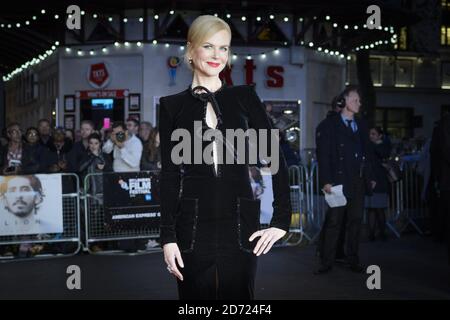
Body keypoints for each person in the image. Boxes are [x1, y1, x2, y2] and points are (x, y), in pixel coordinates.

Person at [159, 15, 291, 300]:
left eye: (224, 48)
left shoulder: (245, 97)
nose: (217, 55)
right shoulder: (171, 106)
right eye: (208, 46)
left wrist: (282, 220)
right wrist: (167, 238)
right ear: (191, 50)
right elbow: (169, 176)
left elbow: (274, 156)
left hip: (240, 222)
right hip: (192, 225)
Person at [315, 86, 375, 274]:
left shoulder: (362, 125)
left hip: (357, 181)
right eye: (355, 100)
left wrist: (370, 176)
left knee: (355, 222)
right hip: (337, 182)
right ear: (345, 101)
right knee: (334, 222)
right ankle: (327, 262)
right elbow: (323, 155)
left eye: (359, 100)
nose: (359, 104)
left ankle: (353, 259)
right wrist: (326, 180)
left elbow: (368, 152)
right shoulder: (329, 125)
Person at [365, 127, 391, 241]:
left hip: (380, 180)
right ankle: (371, 234)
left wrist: (375, 145)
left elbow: (384, 155)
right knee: (371, 208)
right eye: (370, 133)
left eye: (373, 134)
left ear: (380, 136)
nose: (371, 136)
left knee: (379, 208)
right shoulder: (369, 146)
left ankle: (382, 232)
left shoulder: (383, 146)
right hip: (370, 179)